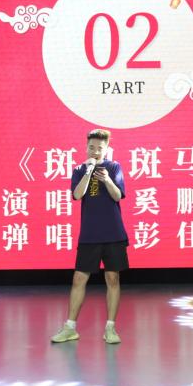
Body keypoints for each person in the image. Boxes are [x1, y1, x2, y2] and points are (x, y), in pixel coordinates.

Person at [51, 128, 128, 345]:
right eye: (91, 147)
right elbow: (77, 195)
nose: (95, 151)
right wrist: (88, 172)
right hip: (89, 234)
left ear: (106, 149)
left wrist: (107, 180)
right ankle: (70, 328)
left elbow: (117, 196)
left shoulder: (114, 167)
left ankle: (110, 328)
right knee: (79, 278)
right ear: (86, 147)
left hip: (113, 232)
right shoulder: (79, 169)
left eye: (99, 148)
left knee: (112, 278)